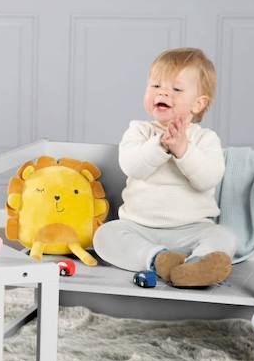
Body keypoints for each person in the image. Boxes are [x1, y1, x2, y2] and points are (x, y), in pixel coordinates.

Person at [93, 47, 236, 287]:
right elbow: (133, 167)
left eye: (176, 89)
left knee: (225, 237)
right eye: (156, 86)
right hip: (139, 227)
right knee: (105, 236)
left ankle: (197, 265)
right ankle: (160, 260)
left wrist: (183, 150)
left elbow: (207, 179)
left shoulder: (205, 139)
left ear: (198, 104)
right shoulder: (139, 131)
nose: (163, 93)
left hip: (192, 230)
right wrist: (160, 146)